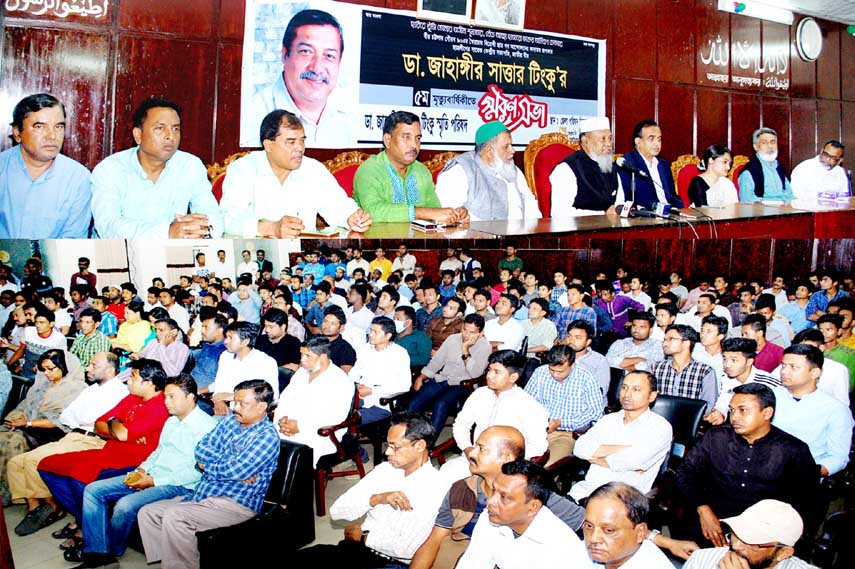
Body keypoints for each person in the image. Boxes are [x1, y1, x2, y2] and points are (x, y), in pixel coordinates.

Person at [73, 375, 217, 568]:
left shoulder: (208, 427)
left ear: (190, 397)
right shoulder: (172, 421)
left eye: (172, 397)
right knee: (92, 490)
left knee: (125, 505)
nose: (166, 402)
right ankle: (98, 553)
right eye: (165, 397)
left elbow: (196, 473)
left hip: (178, 485)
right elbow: (159, 451)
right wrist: (142, 469)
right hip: (152, 474)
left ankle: (111, 550)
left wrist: (153, 481)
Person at [137, 380, 280, 569]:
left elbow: (236, 470)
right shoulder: (231, 420)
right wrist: (228, 462)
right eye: (234, 402)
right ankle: (170, 562)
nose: (235, 408)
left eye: (241, 403)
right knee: (149, 513)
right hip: (203, 495)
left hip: (234, 503)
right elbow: (201, 448)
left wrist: (207, 466)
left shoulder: (267, 436)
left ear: (261, 406)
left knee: (175, 516)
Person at [410, 426, 585, 569]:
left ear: (506, 458)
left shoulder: (538, 500)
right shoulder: (462, 489)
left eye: (482, 449)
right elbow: (436, 543)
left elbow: (589, 526)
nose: (471, 453)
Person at [677, 382, 820, 549]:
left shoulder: (792, 449)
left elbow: (807, 502)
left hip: (764, 532)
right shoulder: (716, 437)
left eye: (743, 410)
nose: (734, 417)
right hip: (713, 521)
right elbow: (685, 474)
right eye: (731, 410)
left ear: (767, 413)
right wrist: (703, 509)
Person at [35, 359, 170, 538]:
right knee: (47, 464)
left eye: (133, 377)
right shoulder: (132, 398)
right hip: (108, 452)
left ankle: (88, 530)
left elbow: (122, 434)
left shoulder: (159, 406)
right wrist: (117, 425)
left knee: (79, 474)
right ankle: (84, 519)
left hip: (132, 462)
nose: (128, 380)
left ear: (150, 383)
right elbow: (99, 424)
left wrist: (116, 426)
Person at [291, 413, 446, 567]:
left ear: (419, 446)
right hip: (357, 549)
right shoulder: (385, 469)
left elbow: (407, 549)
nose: (387, 452)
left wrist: (363, 537)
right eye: (388, 445)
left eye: (395, 447)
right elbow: (337, 511)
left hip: (388, 563)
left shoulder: (435, 488)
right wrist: (376, 499)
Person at [6, 352, 127, 538]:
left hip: (93, 440)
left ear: (110, 370)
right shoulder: (91, 389)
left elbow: (93, 421)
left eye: (94, 365)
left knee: (33, 461)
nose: (88, 368)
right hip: (73, 435)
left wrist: (82, 418)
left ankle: (53, 507)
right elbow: (66, 416)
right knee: (16, 462)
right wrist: (82, 418)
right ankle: (35, 509)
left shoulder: (120, 392)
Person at [221, 109, 371, 237]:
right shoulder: (243, 169)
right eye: (291, 142)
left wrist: (353, 216)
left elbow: (338, 204)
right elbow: (227, 217)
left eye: (302, 141)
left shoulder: (313, 169)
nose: (299, 148)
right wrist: (270, 228)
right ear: (268, 145)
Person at [91, 97, 223, 238]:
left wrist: (199, 229)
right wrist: (167, 233)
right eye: (160, 128)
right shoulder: (110, 169)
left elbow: (212, 217)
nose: (170, 136)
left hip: (174, 256)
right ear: (138, 135)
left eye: (175, 129)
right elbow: (108, 226)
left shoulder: (190, 166)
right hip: (120, 256)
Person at [456, 459, 589, 569]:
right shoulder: (491, 517)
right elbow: (473, 563)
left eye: (504, 497)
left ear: (533, 507)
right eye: (493, 490)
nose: (491, 501)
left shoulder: (560, 550)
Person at [0, 350, 86, 511]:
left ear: (65, 367)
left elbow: (61, 421)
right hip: (30, 427)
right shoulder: (42, 385)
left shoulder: (77, 389)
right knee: (4, 435)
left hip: (54, 433)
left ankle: (14, 494)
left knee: (11, 441)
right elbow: (26, 405)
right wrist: (15, 418)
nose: (46, 373)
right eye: (43, 369)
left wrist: (28, 423)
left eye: (51, 368)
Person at [251, 9, 350, 146]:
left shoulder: (350, 120)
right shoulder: (251, 115)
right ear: (285, 54)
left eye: (329, 56)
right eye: (306, 52)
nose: (317, 68)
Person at [569, 370, 671, 501]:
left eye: (636, 389)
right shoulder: (609, 420)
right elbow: (579, 448)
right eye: (624, 387)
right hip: (586, 490)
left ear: (652, 396)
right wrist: (624, 450)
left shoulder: (660, 427)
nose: (627, 394)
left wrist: (595, 456)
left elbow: (633, 460)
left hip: (622, 500)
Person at [0, 93, 91, 238]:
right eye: (40, 127)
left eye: (58, 127)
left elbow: (72, 242)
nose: (52, 136)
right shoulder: (3, 169)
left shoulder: (78, 179)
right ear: (17, 133)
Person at [353, 111, 469, 224]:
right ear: (388, 140)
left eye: (417, 138)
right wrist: (421, 213)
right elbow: (373, 211)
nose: (414, 145)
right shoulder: (369, 170)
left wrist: (453, 216)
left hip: (418, 240)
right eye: (406, 137)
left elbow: (434, 209)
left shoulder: (421, 171)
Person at [771, 344, 854, 477]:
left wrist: (810, 471)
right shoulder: (770, 396)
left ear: (815, 372)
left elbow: (838, 458)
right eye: (783, 365)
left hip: (803, 476)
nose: (784, 371)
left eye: (793, 367)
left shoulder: (835, 409)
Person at [453, 350, 549, 463]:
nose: (489, 376)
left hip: (506, 466)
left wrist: (503, 458)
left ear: (513, 377)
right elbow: (461, 425)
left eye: (496, 372)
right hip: (473, 458)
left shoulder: (529, 406)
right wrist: (468, 449)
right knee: (445, 474)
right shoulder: (480, 394)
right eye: (489, 370)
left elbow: (538, 447)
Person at [272, 337, 353, 467]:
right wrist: (282, 419)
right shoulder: (301, 373)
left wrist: (300, 427)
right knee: (265, 440)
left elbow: (335, 416)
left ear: (323, 357)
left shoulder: (340, 381)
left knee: (293, 454)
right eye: (301, 354)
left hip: (320, 431)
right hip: (289, 424)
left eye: (307, 356)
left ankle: (295, 487)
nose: (301, 359)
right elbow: (285, 400)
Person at [436, 121, 540, 220]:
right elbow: (452, 221)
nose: (512, 151)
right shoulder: (458, 172)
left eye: (511, 145)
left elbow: (533, 212)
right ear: (489, 151)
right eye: (506, 147)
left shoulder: (513, 170)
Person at [409, 313, 491, 437]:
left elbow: (475, 374)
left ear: (481, 333)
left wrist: (465, 350)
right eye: (465, 330)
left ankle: (429, 442)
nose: (467, 335)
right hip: (443, 378)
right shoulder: (452, 339)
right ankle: (408, 437)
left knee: (441, 404)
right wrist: (422, 377)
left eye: (472, 332)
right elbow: (437, 361)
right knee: (415, 402)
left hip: (463, 384)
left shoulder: (485, 346)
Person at [525, 345, 603, 466]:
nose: (555, 375)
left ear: (572, 365)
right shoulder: (540, 372)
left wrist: (561, 422)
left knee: (546, 469)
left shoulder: (586, 378)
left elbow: (595, 413)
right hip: (536, 430)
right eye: (552, 370)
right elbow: (527, 402)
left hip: (565, 434)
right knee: (516, 461)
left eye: (560, 371)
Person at [683, 500, 816, 569]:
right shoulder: (702, 560)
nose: (737, 546)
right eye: (736, 533)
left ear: (783, 553)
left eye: (753, 542)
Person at [583, 482, 677, 568]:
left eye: (609, 530)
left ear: (640, 533)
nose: (593, 539)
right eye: (589, 526)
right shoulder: (578, 551)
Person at [550, 116, 624, 217]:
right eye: (603, 139)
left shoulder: (612, 167)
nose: (609, 144)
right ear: (585, 141)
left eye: (610, 138)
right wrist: (603, 214)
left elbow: (618, 205)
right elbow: (559, 214)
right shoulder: (566, 169)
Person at [349, 317, 411, 425]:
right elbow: (355, 372)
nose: (370, 335)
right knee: (335, 409)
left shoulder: (399, 354)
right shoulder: (366, 348)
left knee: (350, 421)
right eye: (371, 331)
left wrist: (372, 391)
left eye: (375, 332)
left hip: (381, 401)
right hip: (359, 394)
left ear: (388, 335)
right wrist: (356, 383)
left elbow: (404, 386)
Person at [705, 338, 780, 425]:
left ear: (749, 362)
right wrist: (720, 413)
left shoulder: (767, 383)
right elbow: (724, 401)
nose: (727, 365)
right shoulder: (726, 378)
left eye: (734, 360)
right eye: (725, 359)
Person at [210, 322, 279, 414]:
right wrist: (219, 401)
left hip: (250, 412)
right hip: (226, 409)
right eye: (226, 337)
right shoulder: (225, 356)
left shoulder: (266, 362)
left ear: (246, 341)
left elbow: (271, 396)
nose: (225, 342)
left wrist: (234, 397)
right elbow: (220, 384)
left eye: (231, 338)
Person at [616, 119, 684, 210]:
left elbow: (672, 196)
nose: (657, 144)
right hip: (645, 217)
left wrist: (683, 209)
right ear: (638, 142)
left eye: (659, 139)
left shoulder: (663, 164)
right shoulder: (627, 165)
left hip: (670, 214)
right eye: (651, 139)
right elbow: (627, 199)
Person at [737, 127, 794, 203]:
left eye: (773, 142)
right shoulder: (749, 171)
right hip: (761, 212)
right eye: (764, 143)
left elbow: (789, 195)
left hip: (783, 211)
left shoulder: (779, 167)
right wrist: (777, 203)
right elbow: (747, 200)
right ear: (756, 147)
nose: (770, 146)